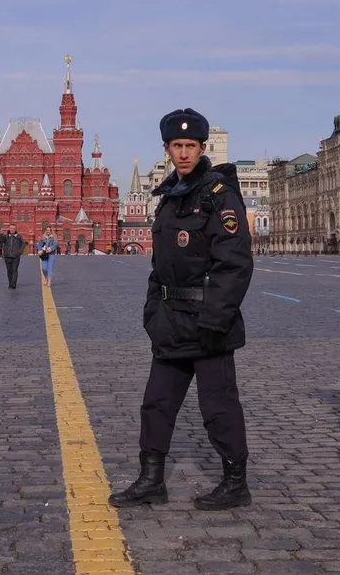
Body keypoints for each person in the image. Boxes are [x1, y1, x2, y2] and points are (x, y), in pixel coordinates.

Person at [108, 107, 254, 511]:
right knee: (156, 403)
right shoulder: (169, 198)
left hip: (209, 323)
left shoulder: (219, 196)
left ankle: (235, 482)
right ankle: (152, 479)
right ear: (167, 149)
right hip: (171, 322)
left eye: (191, 146)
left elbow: (236, 264)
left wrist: (215, 318)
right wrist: (152, 311)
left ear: (202, 148)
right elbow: (161, 264)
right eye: (177, 146)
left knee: (218, 406)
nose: (184, 153)